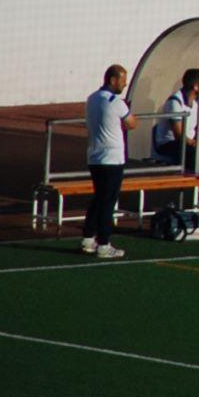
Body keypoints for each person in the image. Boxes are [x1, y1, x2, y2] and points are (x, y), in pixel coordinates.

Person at [82, 63, 132, 259]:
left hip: (95, 156)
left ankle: (87, 238)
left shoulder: (92, 98)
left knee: (98, 198)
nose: (125, 84)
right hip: (112, 158)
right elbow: (132, 123)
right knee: (108, 202)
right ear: (113, 80)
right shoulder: (116, 102)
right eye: (122, 80)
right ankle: (104, 243)